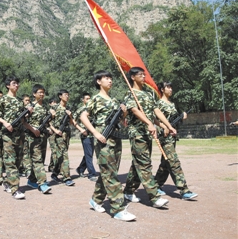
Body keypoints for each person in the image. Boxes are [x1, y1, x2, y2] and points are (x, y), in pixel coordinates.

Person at [80, 70, 136, 221]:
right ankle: (118, 208)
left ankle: (96, 200)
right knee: (110, 174)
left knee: (108, 172)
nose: (109, 80)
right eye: (106, 78)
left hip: (115, 140)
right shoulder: (96, 99)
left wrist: (124, 113)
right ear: (99, 81)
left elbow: (123, 123)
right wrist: (95, 133)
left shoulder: (114, 100)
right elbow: (83, 116)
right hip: (103, 140)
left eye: (111, 78)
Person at [123, 67, 176, 208]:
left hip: (148, 133)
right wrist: (149, 123)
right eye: (140, 74)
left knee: (138, 164)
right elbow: (134, 110)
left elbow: (156, 110)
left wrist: (168, 125)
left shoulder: (148, 94)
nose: (143, 76)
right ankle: (154, 197)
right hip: (137, 133)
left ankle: (128, 191)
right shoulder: (130, 94)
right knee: (145, 165)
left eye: (144, 74)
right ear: (133, 77)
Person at [0, 76, 33, 199]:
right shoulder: (3, 99)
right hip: (8, 135)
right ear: (8, 85)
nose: (16, 85)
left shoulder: (19, 101)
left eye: (17, 83)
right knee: (10, 161)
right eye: (14, 83)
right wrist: (4, 122)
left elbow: (23, 119)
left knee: (18, 161)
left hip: (20, 134)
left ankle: (8, 182)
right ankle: (15, 189)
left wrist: (29, 112)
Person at [154, 81, 198, 200]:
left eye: (171, 87)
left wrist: (182, 117)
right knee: (174, 162)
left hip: (172, 137)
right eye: (168, 87)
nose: (170, 89)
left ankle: (156, 184)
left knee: (165, 163)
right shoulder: (159, 104)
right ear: (162, 90)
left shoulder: (172, 104)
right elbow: (154, 119)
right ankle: (184, 190)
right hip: (165, 137)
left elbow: (174, 121)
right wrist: (164, 128)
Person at [25, 84, 52, 194]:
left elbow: (46, 122)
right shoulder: (29, 107)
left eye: (43, 92)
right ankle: (43, 183)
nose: (42, 94)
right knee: (37, 160)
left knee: (41, 158)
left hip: (43, 136)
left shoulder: (45, 107)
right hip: (32, 136)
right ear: (34, 94)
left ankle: (32, 180)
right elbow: (23, 122)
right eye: (39, 92)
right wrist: (32, 129)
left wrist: (49, 128)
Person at [49, 89, 76, 186]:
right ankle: (67, 178)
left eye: (68, 95)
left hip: (67, 134)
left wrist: (71, 115)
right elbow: (48, 122)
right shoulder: (54, 107)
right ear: (60, 96)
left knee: (61, 155)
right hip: (58, 134)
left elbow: (73, 123)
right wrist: (55, 130)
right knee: (64, 155)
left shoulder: (68, 109)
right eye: (65, 95)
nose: (67, 96)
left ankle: (55, 173)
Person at [74, 92, 97, 181]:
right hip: (85, 134)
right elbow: (73, 120)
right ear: (83, 100)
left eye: (89, 98)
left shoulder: (92, 109)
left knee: (89, 154)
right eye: (87, 98)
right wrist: (81, 129)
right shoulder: (81, 109)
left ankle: (80, 168)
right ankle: (91, 174)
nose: (88, 100)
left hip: (93, 134)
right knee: (89, 154)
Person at [47, 97, 57, 172]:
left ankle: (52, 166)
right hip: (51, 132)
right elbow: (48, 122)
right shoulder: (48, 112)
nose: (54, 103)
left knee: (56, 150)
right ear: (49, 104)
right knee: (54, 150)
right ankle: (55, 167)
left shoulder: (58, 111)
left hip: (57, 132)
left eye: (55, 102)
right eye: (52, 102)